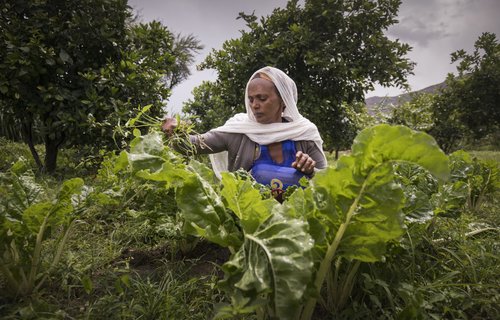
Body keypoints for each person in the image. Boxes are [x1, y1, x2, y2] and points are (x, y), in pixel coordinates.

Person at [162, 66, 327, 200]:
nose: (255, 105)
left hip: (298, 224)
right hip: (249, 225)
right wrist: (177, 132)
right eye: (251, 99)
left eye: (262, 99)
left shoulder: (304, 133)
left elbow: (327, 182)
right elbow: (195, 144)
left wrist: (311, 172)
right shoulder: (239, 130)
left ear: (283, 100)